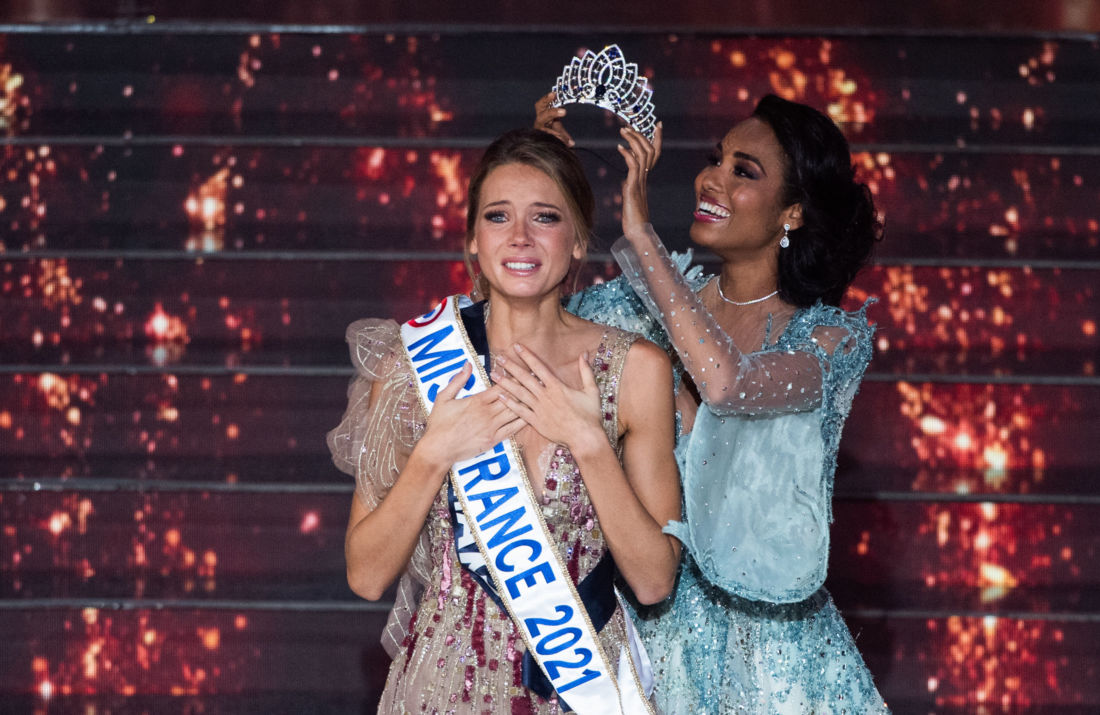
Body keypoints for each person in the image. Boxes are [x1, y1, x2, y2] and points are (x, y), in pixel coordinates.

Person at [537, 93, 890, 713]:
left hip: (773, 660)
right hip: (651, 631)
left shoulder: (829, 339)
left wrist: (640, 234)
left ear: (793, 213)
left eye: (742, 171)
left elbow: (729, 385)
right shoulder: (647, 302)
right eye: (715, 159)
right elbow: (539, 321)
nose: (711, 178)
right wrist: (549, 181)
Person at [327, 128, 681, 714]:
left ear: (576, 242)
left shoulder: (635, 370)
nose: (520, 237)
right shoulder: (414, 367)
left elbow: (653, 581)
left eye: (545, 217)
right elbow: (366, 575)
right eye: (498, 216)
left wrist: (589, 443)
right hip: (444, 685)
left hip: (577, 689)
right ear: (472, 239)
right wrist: (432, 454)